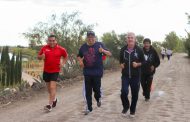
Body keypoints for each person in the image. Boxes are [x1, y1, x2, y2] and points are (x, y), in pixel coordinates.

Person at [78, 31, 112, 115]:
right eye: (89, 37)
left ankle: (98, 98)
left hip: (97, 72)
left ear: (95, 37)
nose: (90, 39)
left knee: (96, 89)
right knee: (88, 91)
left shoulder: (100, 45)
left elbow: (109, 54)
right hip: (87, 72)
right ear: (87, 38)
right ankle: (89, 108)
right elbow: (79, 55)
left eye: (92, 37)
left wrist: (103, 50)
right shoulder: (83, 47)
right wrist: (80, 61)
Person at [38, 35, 68, 112]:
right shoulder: (44, 48)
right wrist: (41, 56)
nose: (51, 42)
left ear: (56, 41)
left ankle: (49, 105)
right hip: (46, 71)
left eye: (53, 40)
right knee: (49, 89)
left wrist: (63, 63)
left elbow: (65, 56)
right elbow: (38, 56)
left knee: (52, 87)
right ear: (48, 41)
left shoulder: (61, 49)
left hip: (55, 71)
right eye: (50, 41)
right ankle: (54, 99)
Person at [120, 32, 145, 118]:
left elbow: (144, 62)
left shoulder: (139, 50)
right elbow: (120, 61)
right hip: (125, 75)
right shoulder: (122, 50)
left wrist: (138, 64)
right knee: (123, 92)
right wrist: (121, 64)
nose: (130, 39)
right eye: (128, 37)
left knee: (135, 94)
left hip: (136, 76)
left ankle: (132, 110)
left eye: (132, 37)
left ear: (135, 39)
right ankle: (126, 106)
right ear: (126, 39)